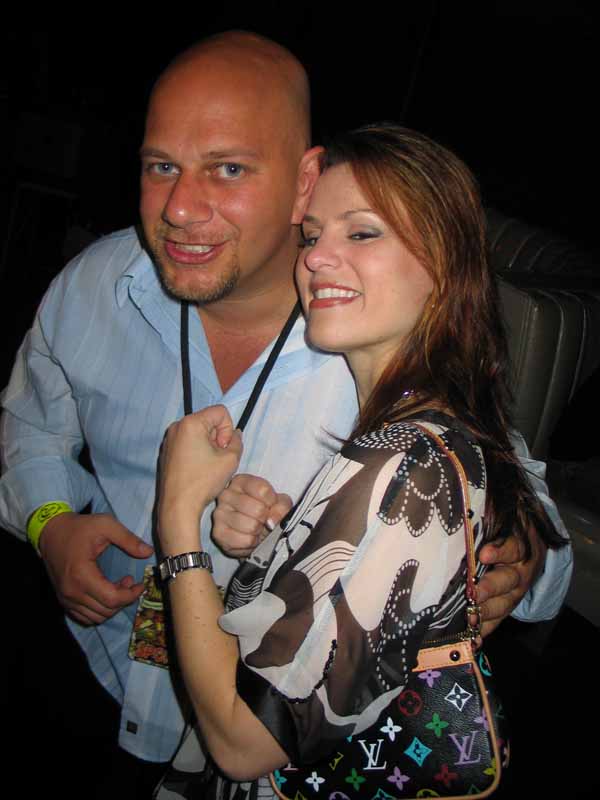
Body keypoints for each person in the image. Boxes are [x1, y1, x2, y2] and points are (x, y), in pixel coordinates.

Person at [0, 31, 571, 791]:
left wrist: (514, 554)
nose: (180, 207)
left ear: (306, 179)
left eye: (228, 168)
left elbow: (522, 516)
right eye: (161, 166)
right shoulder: (95, 286)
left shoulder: (369, 329)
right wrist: (49, 524)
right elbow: (31, 427)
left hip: (253, 749)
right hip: (90, 664)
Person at [154, 124, 568, 799]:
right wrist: (279, 546)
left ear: (445, 264)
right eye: (313, 235)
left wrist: (177, 517)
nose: (316, 257)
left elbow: (240, 741)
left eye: (363, 232)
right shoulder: (417, 430)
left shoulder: (408, 459)